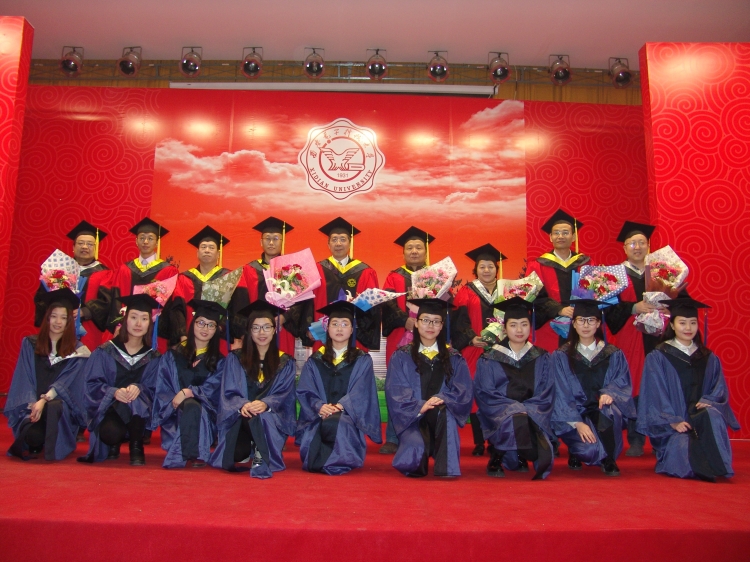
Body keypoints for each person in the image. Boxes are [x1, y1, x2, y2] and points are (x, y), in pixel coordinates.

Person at [637, 298, 739, 482]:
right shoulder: (659, 356)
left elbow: (719, 388)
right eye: (682, 323)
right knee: (683, 456)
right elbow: (654, 394)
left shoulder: (708, 357)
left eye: (693, 323)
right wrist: (672, 420)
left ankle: (718, 466)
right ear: (672, 325)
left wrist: (710, 400)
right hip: (674, 426)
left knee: (712, 416)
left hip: (702, 421)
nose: (688, 328)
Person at [210, 300, 297, 478]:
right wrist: (242, 404)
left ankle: (261, 450)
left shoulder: (285, 362)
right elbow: (228, 390)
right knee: (235, 455)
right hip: (242, 416)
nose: (261, 332)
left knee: (262, 416)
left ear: (274, 329)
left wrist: (265, 404)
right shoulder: (235, 359)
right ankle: (252, 446)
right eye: (256, 328)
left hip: (270, 420)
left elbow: (285, 394)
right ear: (249, 331)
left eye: (266, 327)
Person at [386, 299, 473, 478]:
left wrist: (443, 399)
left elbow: (463, 390)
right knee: (414, 463)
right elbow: (395, 390)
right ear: (416, 323)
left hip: (442, 420)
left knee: (445, 413)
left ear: (442, 326)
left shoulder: (454, 357)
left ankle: (446, 468)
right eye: (425, 320)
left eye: (436, 321)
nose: (430, 325)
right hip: (413, 419)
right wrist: (420, 406)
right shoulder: (401, 356)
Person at [551, 299, 636, 476]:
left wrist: (610, 393)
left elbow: (621, 381)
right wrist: (577, 423)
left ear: (598, 324)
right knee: (589, 451)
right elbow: (559, 392)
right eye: (581, 320)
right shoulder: (561, 356)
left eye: (591, 320)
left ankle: (609, 458)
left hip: (602, 412)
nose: (586, 325)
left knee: (610, 409)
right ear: (574, 324)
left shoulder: (613, 354)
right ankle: (577, 451)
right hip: (575, 414)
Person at [296, 300, 382, 475]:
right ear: (327, 328)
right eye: (335, 324)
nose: (339, 329)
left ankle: (331, 461)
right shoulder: (315, 360)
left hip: (348, 417)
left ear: (352, 329)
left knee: (339, 422)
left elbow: (362, 391)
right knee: (321, 427)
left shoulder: (362, 359)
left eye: (345, 324)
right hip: (319, 414)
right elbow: (306, 389)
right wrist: (319, 406)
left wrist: (341, 406)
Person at [4, 289, 90, 460]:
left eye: (63, 317)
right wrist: (32, 404)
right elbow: (24, 377)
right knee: (33, 438)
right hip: (32, 407)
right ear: (47, 318)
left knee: (53, 407)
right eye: (54, 316)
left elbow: (68, 383)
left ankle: (56, 437)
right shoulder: (30, 344)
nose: (58, 322)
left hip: (60, 411)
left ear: (69, 321)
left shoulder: (78, 351)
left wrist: (44, 400)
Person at [474, 298, 555, 479]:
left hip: (532, 413)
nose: (519, 330)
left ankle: (518, 453)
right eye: (513, 325)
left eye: (524, 324)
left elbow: (546, 391)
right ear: (504, 328)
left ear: (530, 327)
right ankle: (497, 455)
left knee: (539, 451)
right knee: (514, 417)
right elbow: (485, 392)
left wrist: (528, 409)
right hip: (501, 413)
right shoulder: (489, 358)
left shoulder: (541, 357)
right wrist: (515, 409)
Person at [77, 294, 161, 466]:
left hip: (139, 416)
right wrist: (113, 392)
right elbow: (91, 384)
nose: (138, 324)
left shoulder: (154, 357)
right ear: (125, 319)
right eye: (134, 317)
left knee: (137, 397)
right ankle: (114, 443)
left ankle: (136, 446)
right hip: (110, 409)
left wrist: (140, 388)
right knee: (110, 434)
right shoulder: (105, 351)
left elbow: (158, 389)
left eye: (144, 318)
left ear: (150, 323)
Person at [605, 221, 658, 456]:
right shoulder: (615, 275)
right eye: (632, 243)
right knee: (634, 383)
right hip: (629, 337)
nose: (637, 247)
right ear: (625, 248)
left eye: (641, 243)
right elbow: (607, 310)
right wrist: (634, 307)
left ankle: (661, 437)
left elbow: (677, 301)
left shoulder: (661, 272)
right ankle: (636, 438)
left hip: (657, 338)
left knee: (657, 384)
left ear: (648, 246)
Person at [152, 300, 226, 468]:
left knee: (193, 405)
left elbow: (215, 390)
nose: (205, 329)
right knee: (189, 406)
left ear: (216, 330)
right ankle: (195, 452)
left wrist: (189, 392)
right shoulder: (173, 355)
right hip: (174, 411)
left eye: (211, 325)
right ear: (193, 324)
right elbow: (163, 385)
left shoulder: (219, 361)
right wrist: (178, 398)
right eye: (201, 323)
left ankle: (190, 452)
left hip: (205, 415)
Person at [379, 226, 434, 454]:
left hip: (428, 337)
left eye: (418, 247)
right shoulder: (394, 276)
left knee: (427, 383)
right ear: (403, 252)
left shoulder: (435, 277)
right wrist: (406, 321)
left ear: (425, 251)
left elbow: (444, 307)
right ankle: (393, 437)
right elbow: (387, 304)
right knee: (397, 385)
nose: (414, 251)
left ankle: (426, 433)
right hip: (400, 337)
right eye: (409, 247)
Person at [452, 243, 507, 456]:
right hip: (474, 350)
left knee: (497, 394)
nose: (486, 270)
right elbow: (459, 321)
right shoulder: (467, 291)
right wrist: (470, 338)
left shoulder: (507, 291)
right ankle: (478, 442)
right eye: (482, 266)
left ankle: (496, 440)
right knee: (476, 395)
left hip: (501, 351)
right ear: (475, 269)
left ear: (496, 269)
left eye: (490, 266)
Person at [94, 217, 178, 350]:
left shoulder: (168, 270)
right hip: (125, 326)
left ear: (157, 242)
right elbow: (116, 298)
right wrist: (118, 323)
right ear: (136, 241)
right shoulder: (124, 269)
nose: (146, 241)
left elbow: (168, 305)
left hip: (155, 330)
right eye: (142, 238)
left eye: (150, 238)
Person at [229, 216, 304, 355]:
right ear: (261, 242)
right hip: (255, 330)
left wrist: (284, 317)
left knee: (282, 363)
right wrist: (245, 329)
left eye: (276, 238)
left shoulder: (291, 270)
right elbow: (240, 303)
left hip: (282, 328)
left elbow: (301, 301)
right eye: (267, 238)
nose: (271, 242)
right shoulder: (248, 270)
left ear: (282, 241)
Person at [304, 217, 381, 350]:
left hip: (355, 335)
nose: (338, 243)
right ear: (328, 244)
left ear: (349, 243)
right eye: (334, 240)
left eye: (343, 239)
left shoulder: (365, 272)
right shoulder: (317, 270)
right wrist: (308, 328)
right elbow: (308, 303)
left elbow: (372, 307)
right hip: (323, 334)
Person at [34, 221, 110, 351]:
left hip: (88, 330)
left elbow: (107, 302)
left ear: (96, 248)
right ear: (73, 247)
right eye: (80, 243)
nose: (85, 247)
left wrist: (85, 311)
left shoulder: (104, 273)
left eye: (90, 244)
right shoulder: (58, 269)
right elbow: (42, 298)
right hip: (58, 326)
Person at [527, 209, 590, 352]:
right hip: (550, 326)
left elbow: (593, 293)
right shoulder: (537, 265)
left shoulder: (585, 263)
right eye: (556, 233)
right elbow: (535, 296)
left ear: (573, 237)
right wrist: (559, 309)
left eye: (565, 232)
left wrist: (578, 311)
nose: (560, 236)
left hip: (580, 323)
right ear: (550, 237)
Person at [163, 226, 229, 346]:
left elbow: (232, 309)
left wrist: (220, 329)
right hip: (188, 339)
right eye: (203, 247)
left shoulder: (228, 277)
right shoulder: (184, 278)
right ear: (197, 253)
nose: (207, 250)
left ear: (218, 254)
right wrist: (182, 335)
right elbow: (177, 309)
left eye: (211, 247)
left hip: (219, 340)